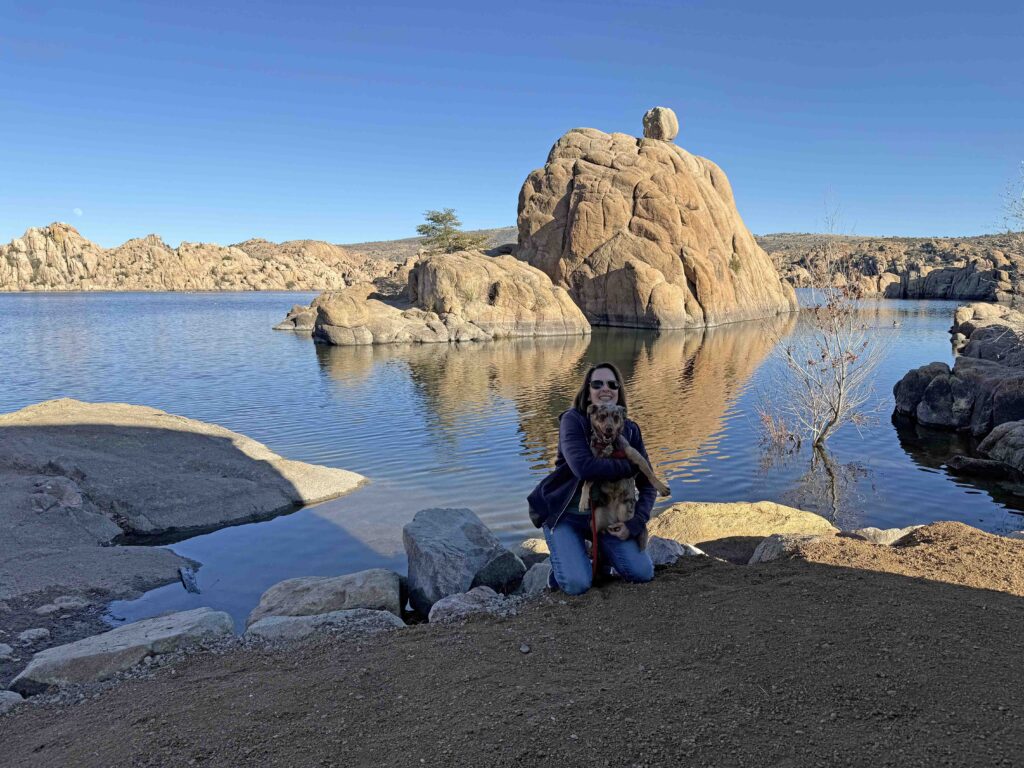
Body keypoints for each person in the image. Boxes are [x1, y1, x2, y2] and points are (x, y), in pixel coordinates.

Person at [527, 362, 657, 595]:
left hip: (606, 519)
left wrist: (635, 524)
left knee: (642, 572)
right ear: (588, 391)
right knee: (577, 584)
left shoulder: (630, 430)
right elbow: (584, 469)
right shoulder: (573, 420)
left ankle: (599, 556)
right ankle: (563, 562)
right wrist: (631, 465)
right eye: (597, 384)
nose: (605, 388)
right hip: (566, 515)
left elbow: (648, 485)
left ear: (619, 391)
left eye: (612, 384)